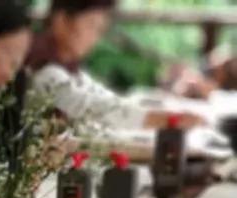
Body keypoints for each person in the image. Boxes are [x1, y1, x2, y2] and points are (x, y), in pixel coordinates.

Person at [28, 0, 201, 130]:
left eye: (99, 29)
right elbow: (91, 106)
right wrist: (165, 119)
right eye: (91, 25)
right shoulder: (42, 67)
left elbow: (103, 97)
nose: (94, 36)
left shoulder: (70, 68)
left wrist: (160, 105)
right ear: (61, 21)